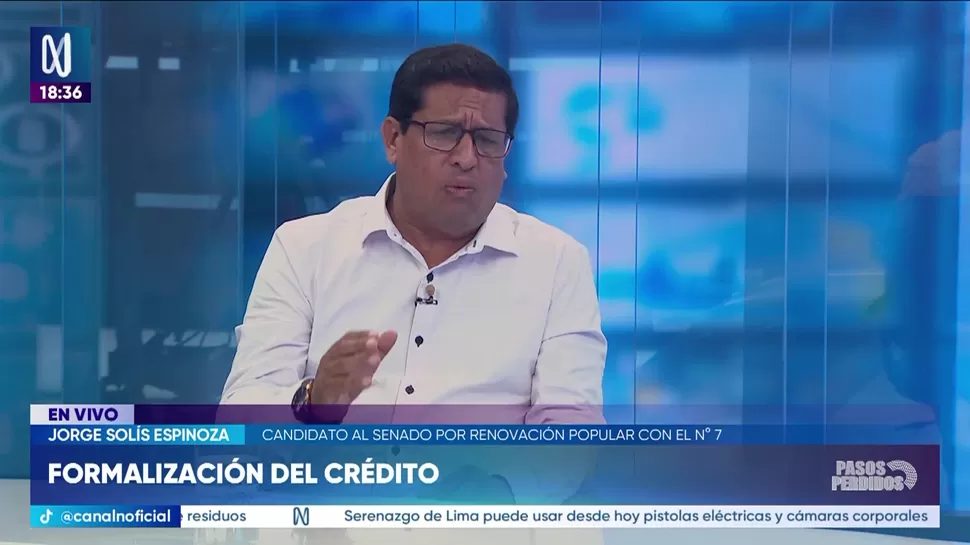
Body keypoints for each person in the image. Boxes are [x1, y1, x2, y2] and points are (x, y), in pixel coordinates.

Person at [221, 43, 606, 509]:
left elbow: (572, 429)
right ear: (392, 140)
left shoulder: (557, 261)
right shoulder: (305, 248)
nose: (467, 157)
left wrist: (501, 493)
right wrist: (314, 401)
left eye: (487, 139)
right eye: (445, 133)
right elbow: (238, 418)